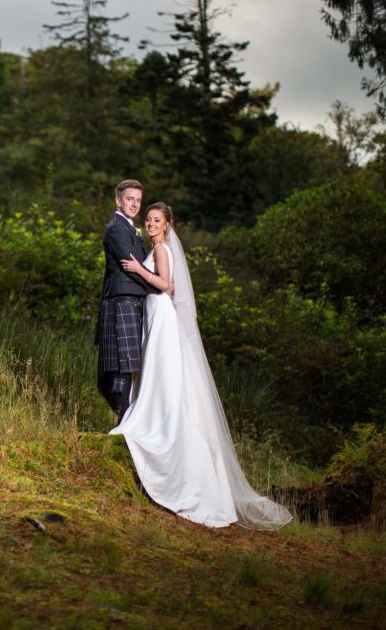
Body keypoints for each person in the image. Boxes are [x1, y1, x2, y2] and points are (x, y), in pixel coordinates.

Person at [111, 202, 292, 530]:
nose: (150, 224)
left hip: (160, 313)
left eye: (156, 220)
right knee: (158, 373)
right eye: (148, 219)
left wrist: (138, 270)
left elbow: (166, 285)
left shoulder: (162, 249)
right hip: (155, 314)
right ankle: (153, 414)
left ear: (167, 225)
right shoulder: (159, 247)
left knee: (161, 373)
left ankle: (159, 424)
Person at [93, 180, 158, 422]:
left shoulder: (129, 228)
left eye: (138, 200)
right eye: (130, 199)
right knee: (121, 364)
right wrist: (158, 288)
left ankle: (125, 422)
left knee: (125, 364)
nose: (135, 204)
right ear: (118, 200)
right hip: (122, 300)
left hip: (129, 300)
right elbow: (131, 267)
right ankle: (123, 422)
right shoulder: (117, 229)